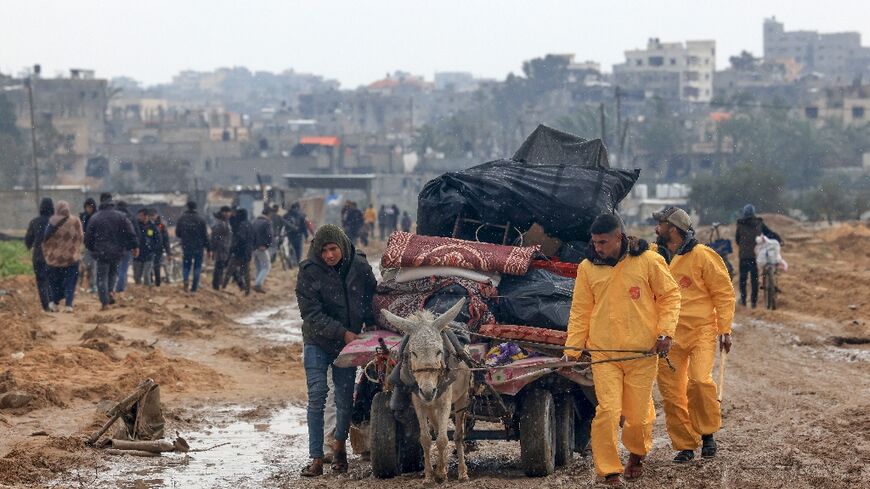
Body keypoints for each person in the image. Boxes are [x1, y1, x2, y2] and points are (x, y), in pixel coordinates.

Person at [565, 214, 681, 486]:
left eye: (603, 242)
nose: (598, 248)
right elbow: (580, 310)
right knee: (607, 410)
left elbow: (670, 296)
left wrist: (665, 333)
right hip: (604, 354)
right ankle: (609, 471)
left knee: (638, 417)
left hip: (641, 354)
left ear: (619, 237)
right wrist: (572, 350)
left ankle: (637, 454)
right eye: (594, 243)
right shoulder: (587, 267)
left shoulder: (649, 261)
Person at [652, 207, 736, 463]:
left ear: (673, 228)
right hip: (668, 336)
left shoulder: (702, 256)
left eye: (661, 223)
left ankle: (708, 433)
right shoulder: (653, 256)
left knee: (700, 382)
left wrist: (725, 328)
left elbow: (723, 293)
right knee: (672, 394)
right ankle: (685, 445)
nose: (657, 227)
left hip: (701, 331)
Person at [296, 224, 377, 477]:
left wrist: (372, 326)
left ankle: (340, 448)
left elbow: (371, 298)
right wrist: (343, 332)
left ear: (342, 246)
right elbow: (311, 314)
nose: (329, 255)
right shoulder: (308, 272)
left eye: (333, 249)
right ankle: (317, 458)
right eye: (324, 251)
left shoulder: (360, 266)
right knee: (317, 396)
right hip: (317, 342)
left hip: (348, 345)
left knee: (344, 400)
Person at [85, 194, 139, 310]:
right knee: (113, 273)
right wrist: (135, 246)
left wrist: (92, 249)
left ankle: (104, 303)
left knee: (101, 278)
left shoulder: (95, 217)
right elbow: (130, 232)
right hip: (117, 252)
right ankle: (110, 291)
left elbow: (88, 237)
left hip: (101, 252)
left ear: (101, 202)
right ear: (111, 202)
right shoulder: (121, 216)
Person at [735, 204, 782, 308]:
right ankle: (753, 303)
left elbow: (737, 240)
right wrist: (778, 239)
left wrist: (744, 247)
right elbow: (769, 233)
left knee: (743, 279)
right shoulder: (759, 223)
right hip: (755, 256)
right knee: (754, 280)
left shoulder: (740, 224)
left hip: (743, 256)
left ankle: (743, 301)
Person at [42, 201, 84, 312]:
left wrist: (54, 247)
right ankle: (69, 305)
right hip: (72, 257)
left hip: (55, 258)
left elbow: (45, 237)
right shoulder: (76, 221)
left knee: (55, 282)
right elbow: (80, 237)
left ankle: (54, 303)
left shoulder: (52, 221)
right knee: (70, 282)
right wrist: (72, 247)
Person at [24, 197, 55, 311]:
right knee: (52, 280)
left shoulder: (34, 222)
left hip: (38, 256)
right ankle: (53, 302)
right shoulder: (55, 222)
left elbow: (28, 240)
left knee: (41, 281)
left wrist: (29, 245)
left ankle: (46, 305)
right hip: (53, 256)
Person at [175, 201, 209, 293]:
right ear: (196, 208)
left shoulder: (182, 219)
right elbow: (205, 235)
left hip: (186, 246)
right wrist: (208, 247)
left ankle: (186, 280)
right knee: (197, 267)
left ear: (187, 207)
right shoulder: (201, 219)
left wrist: (184, 237)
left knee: (186, 265)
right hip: (199, 246)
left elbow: (177, 233)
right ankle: (194, 288)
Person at [223, 208, 254, 295]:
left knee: (229, 270)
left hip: (239, 253)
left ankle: (223, 287)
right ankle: (248, 291)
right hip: (247, 253)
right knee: (246, 273)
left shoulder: (241, 226)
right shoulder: (249, 224)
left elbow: (240, 239)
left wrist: (233, 249)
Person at [132, 209, 160, 286]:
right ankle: (139, 291)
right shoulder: (136, 226)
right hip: (138, 254)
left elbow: (158, 240)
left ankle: (147, 291)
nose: (139, 217)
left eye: (140, 215)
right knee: (136, 276)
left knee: (146, 274)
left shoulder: (153, 227)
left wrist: (153, 248)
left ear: (146, 216)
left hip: (149, 254)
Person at [114, 200, 135, 294]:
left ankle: (114, 287)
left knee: (116, 269)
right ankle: (120, 288)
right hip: (127, 247)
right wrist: (135, 245)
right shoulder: (130, 217)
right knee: (123, 269)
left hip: (115, 247)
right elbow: (135, 233)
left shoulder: (113, 216)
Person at [210, 206, 233, 290]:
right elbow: (215, 237)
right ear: (223, 212)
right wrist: (215, 247)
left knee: (221, 266)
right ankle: (216, 285)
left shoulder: (225, 221)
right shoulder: (220, 223)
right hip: (221, 248)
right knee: (219, 266)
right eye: (226, 212)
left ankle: (218, 283)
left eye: (229, 212)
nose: (228, 214)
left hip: (224, 248)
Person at [252, 207, 274, 293]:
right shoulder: (266, 223)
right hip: (262, 248)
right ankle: (258, 284)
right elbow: (269, 235)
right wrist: (266, 245)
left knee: (258, 267)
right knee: (266, 266)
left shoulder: (255, 222)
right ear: (269, 214)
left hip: (253, 248)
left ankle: (258, 285)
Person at [79, 198, 98, 293]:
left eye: (90, 207)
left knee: (93, 267)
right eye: (87, 207)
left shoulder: (97, 216)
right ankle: (81, 285)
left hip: (96, 245)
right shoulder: (83, 217)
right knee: (85, 266)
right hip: (86, 244)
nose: (88, 209)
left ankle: (93, 285)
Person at [283, 202, 309, 267]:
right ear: (298, 207)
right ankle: (297, 262)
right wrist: (306, 236)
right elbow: (304, 227)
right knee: (298, 249)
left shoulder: (286, 215)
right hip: (298, 235)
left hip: (289, 235)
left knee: (290, 248)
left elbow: (283, 224)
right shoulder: (301, 215)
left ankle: (291, 261)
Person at [150, 210, 172, 287]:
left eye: (153, 215)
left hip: (158, 249)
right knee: (149, 265)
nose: (152, 217)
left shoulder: (161, 225)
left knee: (156, 266)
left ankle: (158, 282)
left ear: (156, 215)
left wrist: (168, 252)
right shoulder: (148, 225)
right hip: (149, 248)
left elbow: (166, 239)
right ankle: (150, 280)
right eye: (151, 215)